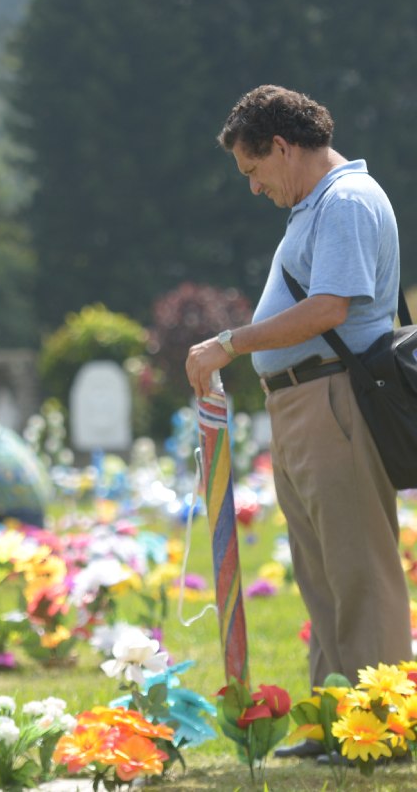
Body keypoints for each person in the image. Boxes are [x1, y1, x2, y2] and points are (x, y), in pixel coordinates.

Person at [185, 85, 410, 760]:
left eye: (253, 171)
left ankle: (380, 728)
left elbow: (331, 309)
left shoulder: (343, 200)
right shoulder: (316, 206)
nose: (253, 188)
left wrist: (230, 343)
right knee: (320, 571)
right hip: (302, 400)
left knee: (359, 571)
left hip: (333, 398)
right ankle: (335, 722)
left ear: (282, 147)